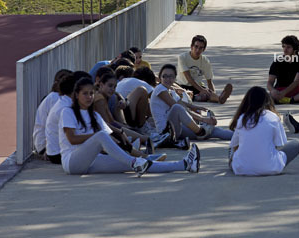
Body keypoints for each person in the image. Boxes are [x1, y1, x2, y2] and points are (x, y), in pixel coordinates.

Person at [59, 77, 200, 175]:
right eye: (85, 94)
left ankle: (185, 164)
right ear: (76, 95)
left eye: (91, 93)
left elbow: (111, 138)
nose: (89, 97)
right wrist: (97, 137)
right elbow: (72, 139)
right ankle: (134, 162)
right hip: (72, 163)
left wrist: (130, 148)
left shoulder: (94, 115)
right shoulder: (68, 111)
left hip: (92, 161)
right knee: (102, 136)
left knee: (139, 163)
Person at [229, 86, 299, 176]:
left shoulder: (242, 118)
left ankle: (237, 162)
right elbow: (279, 144)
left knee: (233, 151)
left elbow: (234, 144)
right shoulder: (273, 117)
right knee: (296, 144)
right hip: (270, 168)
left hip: (242, 169)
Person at [151, 64, 233, 142]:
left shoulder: (171, 90)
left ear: (175, 78)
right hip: (166, 132)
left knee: (213, 131)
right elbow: (178, 107)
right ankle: (200, 132)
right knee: (177, 108)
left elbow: (182, 103)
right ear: (160, 77)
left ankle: (239, 135)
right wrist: (203, 119)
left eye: (171, 76)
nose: (168, 79)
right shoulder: (160, 89)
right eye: (165, 76)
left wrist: (195, 107)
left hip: (176, 128)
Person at [176, 35, 233, 104]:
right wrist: (202, 90)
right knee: (186, 95)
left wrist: (212, 93)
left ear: (204, 49)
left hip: (198, 87)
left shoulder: (205, 61)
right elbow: (189, 79)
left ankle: (219, 99)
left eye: (200, 48)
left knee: (207, 94)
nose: (197, 50)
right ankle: (199, 98)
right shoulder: (183, 57)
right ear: (191, 46)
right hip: (183, 86)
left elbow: (209, 81)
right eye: (196, 46)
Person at [33, 69, 72, 156]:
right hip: (45, 146)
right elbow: (50, 125)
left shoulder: (58, 97)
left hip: (49, 143)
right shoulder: (55, 98)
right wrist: (47, 149)